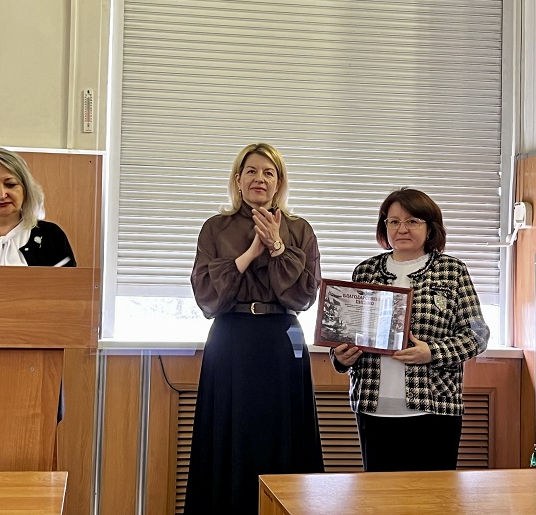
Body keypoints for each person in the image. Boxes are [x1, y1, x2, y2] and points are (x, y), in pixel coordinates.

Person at [184, 143, 324, 515]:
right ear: (238, 180)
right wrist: (249, 254)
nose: (259, 178)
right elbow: (206, 297)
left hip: (282, 339)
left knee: (282, 433)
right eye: (251, 171)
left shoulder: (299, 229)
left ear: (279, 183)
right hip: (231, 337)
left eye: (268, 172)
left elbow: (304, 296)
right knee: (230, 431)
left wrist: (277, 246)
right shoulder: (215, 228)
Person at [330, 187, 489, 472]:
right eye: (394, 221)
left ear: (430, 227)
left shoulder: (452, 271)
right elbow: (349, 332)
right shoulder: (365, 271)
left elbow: (477, 335)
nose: (402, 228)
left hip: (435, 406)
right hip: (373, 406)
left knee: (434, 494)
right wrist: (341, 357)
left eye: (412, 221)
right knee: (379, 495)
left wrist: (432, 352)